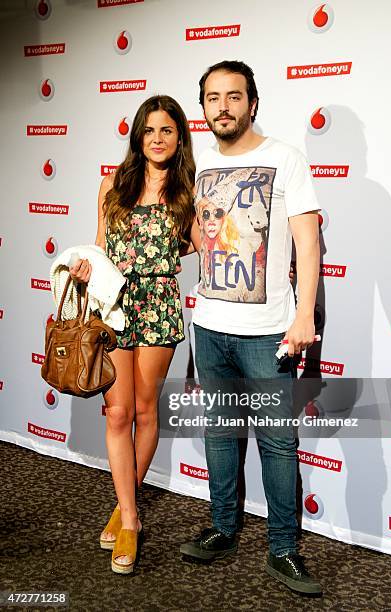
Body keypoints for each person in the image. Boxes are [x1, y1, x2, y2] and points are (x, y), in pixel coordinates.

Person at [179, 61, 322, 595]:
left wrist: (304, 314)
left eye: (233, 97)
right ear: (204, 109)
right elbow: (201, 239)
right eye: (213, 98)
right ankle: (223, 529)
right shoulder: (201, 167)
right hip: (210, 327)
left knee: (278, 445)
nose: (223, 107)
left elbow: (307, 243)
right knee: (219, 434)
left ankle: (283, 549)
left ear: (252, 103)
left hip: (268, 333)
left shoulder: (285, 158)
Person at [70, 95, 198, 574]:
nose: (158, 139)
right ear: (138, 136)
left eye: (167, 130)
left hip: (161, 307)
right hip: (116, 307)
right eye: (150, 130)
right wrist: (85, 268)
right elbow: (100, 247)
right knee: (118, 410)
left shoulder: (187, 192)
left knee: (146, 411)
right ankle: (130, 515)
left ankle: (126, 509)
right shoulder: (113, 185)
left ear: (179, 137)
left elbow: (193, 245)